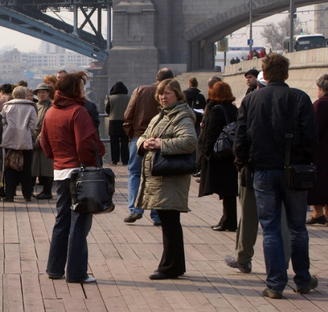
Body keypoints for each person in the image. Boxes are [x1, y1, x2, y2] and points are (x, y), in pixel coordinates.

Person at [234, 53, 318, 299]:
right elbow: (311, 137)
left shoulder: (250, 100)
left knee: (270, 229)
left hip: (262, 172)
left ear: (265, 75)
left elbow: (241, 140)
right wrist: (303, 160)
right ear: (287, 74)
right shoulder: (300, 98)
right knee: (297, 228)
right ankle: (302, 279)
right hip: (294, 172)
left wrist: (245, 164)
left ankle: (275, 284)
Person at [38, 72, 104, 284]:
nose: (84, 91)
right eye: (81, 87)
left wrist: (57, 158)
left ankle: (54, 268)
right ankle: (77, 272)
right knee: (80, 223)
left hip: (60, 170)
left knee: (62, 219)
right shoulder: (78, 112)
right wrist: (93, 160)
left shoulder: (50, 112)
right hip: (80, 171)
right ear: (74, 90)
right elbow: (85, 143)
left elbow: (45, 144)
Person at [136, 79, 199, 280]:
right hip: (160, 178)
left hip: (170, 178)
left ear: (178, 95)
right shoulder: (160, 116)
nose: (163, 97)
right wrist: (144, 143)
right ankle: (174, 265)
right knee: (168, 221)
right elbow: (144, 135)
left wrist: (161, 144)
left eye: (168, 93)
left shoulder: (181, 116)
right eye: (161, 93)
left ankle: (169, 266)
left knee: (170, 222)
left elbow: (189, 141)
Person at [122, 68, 174, 224]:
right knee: (158, 175)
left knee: (135, 173)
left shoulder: (141, 90)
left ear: (156, 77)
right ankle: (157, 214)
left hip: (139, 138)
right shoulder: (172, 95)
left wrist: (131, 134)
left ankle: (135, 209)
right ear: (171, 79)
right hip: (161, 141)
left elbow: (128, 114)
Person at [198, 81, 238, 232]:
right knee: (229, 190)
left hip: (220, 155)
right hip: (231, 153)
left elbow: (211, 134)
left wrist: (206, 154)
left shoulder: (216, 110)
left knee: (225, 190)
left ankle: (228, 221)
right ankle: (228, 219)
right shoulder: (234, 109)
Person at [1, 85, 37, 202]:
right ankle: (27, 194)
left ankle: (10, 194)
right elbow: (33, 125)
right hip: (25, 140)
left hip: (9, 139)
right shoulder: (30, 107)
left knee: (9, 167)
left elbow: (2, 122)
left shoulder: (6, 106)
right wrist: (28, 132)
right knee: (26, 168)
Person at [307, 74, 328, 226]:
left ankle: (318, 213)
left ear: (321, 89)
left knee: (319, 183)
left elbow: (314, 129)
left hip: (321, 152)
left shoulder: (320, 104)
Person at [31, 82, 54, 199]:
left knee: (46, 167)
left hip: (46, 139)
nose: (41, 94)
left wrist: (40, 137)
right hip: (34, 138)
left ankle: (47, 191)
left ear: (48, 93)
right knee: (34, 166)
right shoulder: (35, 106)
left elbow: (48, 124)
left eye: (43, 92)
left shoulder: (51, 106)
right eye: (39, 92)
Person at [104, 82, 130, 165]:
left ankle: (114, 160)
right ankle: (125, 160)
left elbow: (107, 110)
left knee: (114, 142)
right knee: (124, 142)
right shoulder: (128, 98)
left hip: (113, 122)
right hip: (125, 121)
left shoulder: (111, 98)